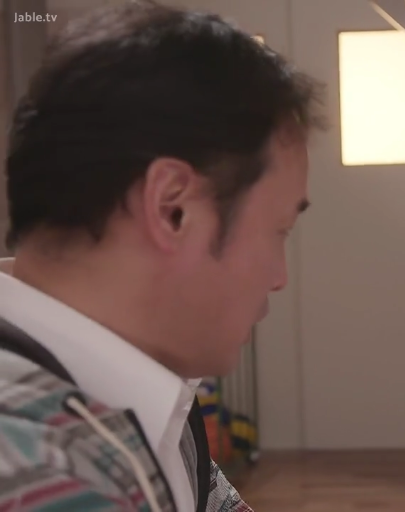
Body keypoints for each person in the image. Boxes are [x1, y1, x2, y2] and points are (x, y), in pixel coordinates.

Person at [0, 1, 320, 511]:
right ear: (173, 208)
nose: (279, 277)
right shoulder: (37, 472)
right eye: (278, 230)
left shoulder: (151, 397)